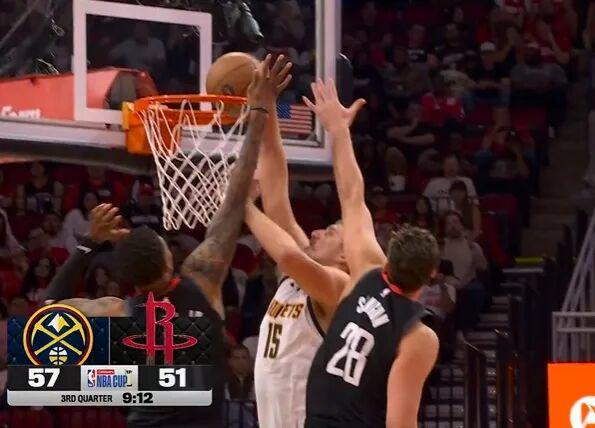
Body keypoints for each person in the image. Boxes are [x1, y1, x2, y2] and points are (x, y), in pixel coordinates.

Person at [41, 54, 289, 428]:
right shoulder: (202, 281)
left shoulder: (116, 312)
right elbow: (235, 199)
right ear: (169, 259)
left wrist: (88, 244)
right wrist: (257, 112)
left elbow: (49, 309)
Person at [302, 79, 440, 427]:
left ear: (389, 258)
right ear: (432, 275)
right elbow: (399, 423)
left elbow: (351, 194)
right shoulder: (419, 337)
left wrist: (338, 130)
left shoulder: (365, 270)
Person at [243, 55, 364, 428]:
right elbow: (276, 193)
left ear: (346, 257)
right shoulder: (304, 275)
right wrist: (266, 109)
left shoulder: (339, 286)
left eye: (329, 233)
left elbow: (290, 258)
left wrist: (240, 205)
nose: (315, 232)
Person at [442, 211, 488, 332]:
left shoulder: (472, 246)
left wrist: (476, 253)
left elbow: (483, 267)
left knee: (474, 291)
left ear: (461, 226)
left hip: (468, 282)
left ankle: (465, 331)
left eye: (455, 222)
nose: (452, 226)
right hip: (446, 283)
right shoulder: (440, 246)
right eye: (448, 223)